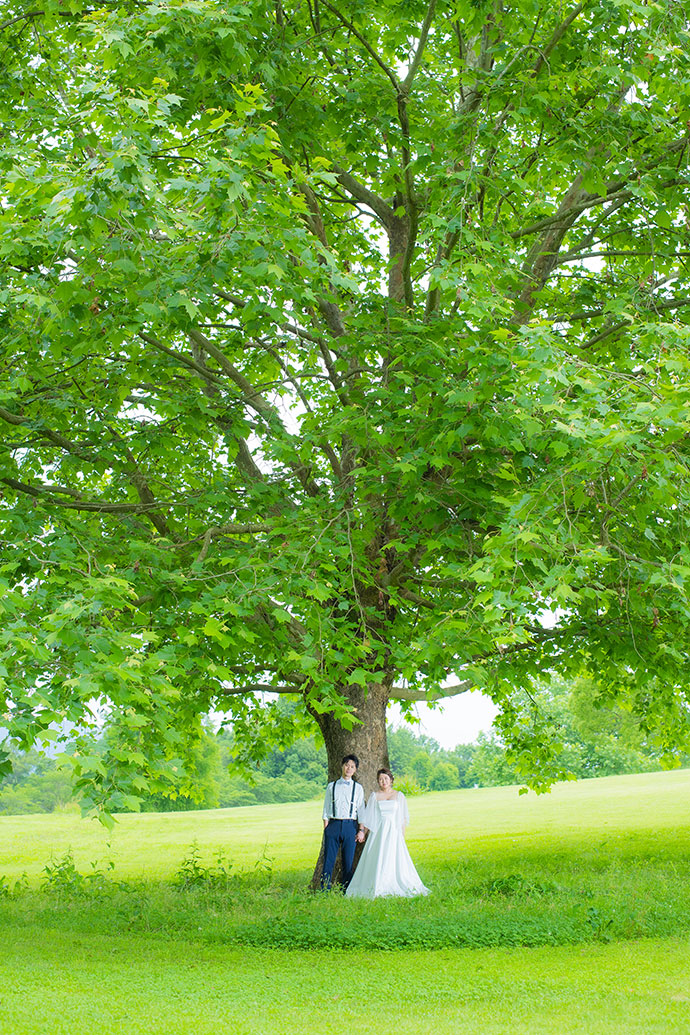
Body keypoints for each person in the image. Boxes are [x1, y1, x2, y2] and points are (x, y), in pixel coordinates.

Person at [345, 767, 429, 899]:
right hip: (379, 832)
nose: (383, 782)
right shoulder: (375, 796)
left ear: (391, 780)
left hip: (394, 832)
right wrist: (362, 832)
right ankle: (376, 883)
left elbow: (402, 818)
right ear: (378, 782)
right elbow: (369, 818)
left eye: (385, 779)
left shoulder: (399, 796)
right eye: (380, 779)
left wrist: (401, 836)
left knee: (394, 858)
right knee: (379, 857)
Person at [321, 754, 366, 890]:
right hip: (333, 825)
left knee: (348, 861)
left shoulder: (358, 788)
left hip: (350, 826)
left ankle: (346, 890)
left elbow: (361, 810)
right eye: (347, 765)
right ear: (342, 766)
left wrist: (361, 830)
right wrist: (326, 828)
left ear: (355, 770)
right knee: (328, 860)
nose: (349, 768)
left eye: (352, 766)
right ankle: (325, 890)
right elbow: (326, 807)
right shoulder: (331, 786)